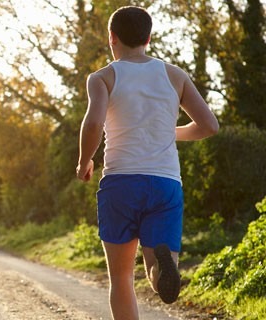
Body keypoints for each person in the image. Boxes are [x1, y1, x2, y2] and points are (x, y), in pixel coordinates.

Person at [75, 6, 219, 320]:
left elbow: (92, 123)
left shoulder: (103, 77)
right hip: (165, 184)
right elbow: (209, 126)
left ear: (111, 38)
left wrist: (84, 161)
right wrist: (167, 132)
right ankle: (161, 269)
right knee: (155, 268)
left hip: (120, 183)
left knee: (122, 277)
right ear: (148, 39)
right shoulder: (174, 74)